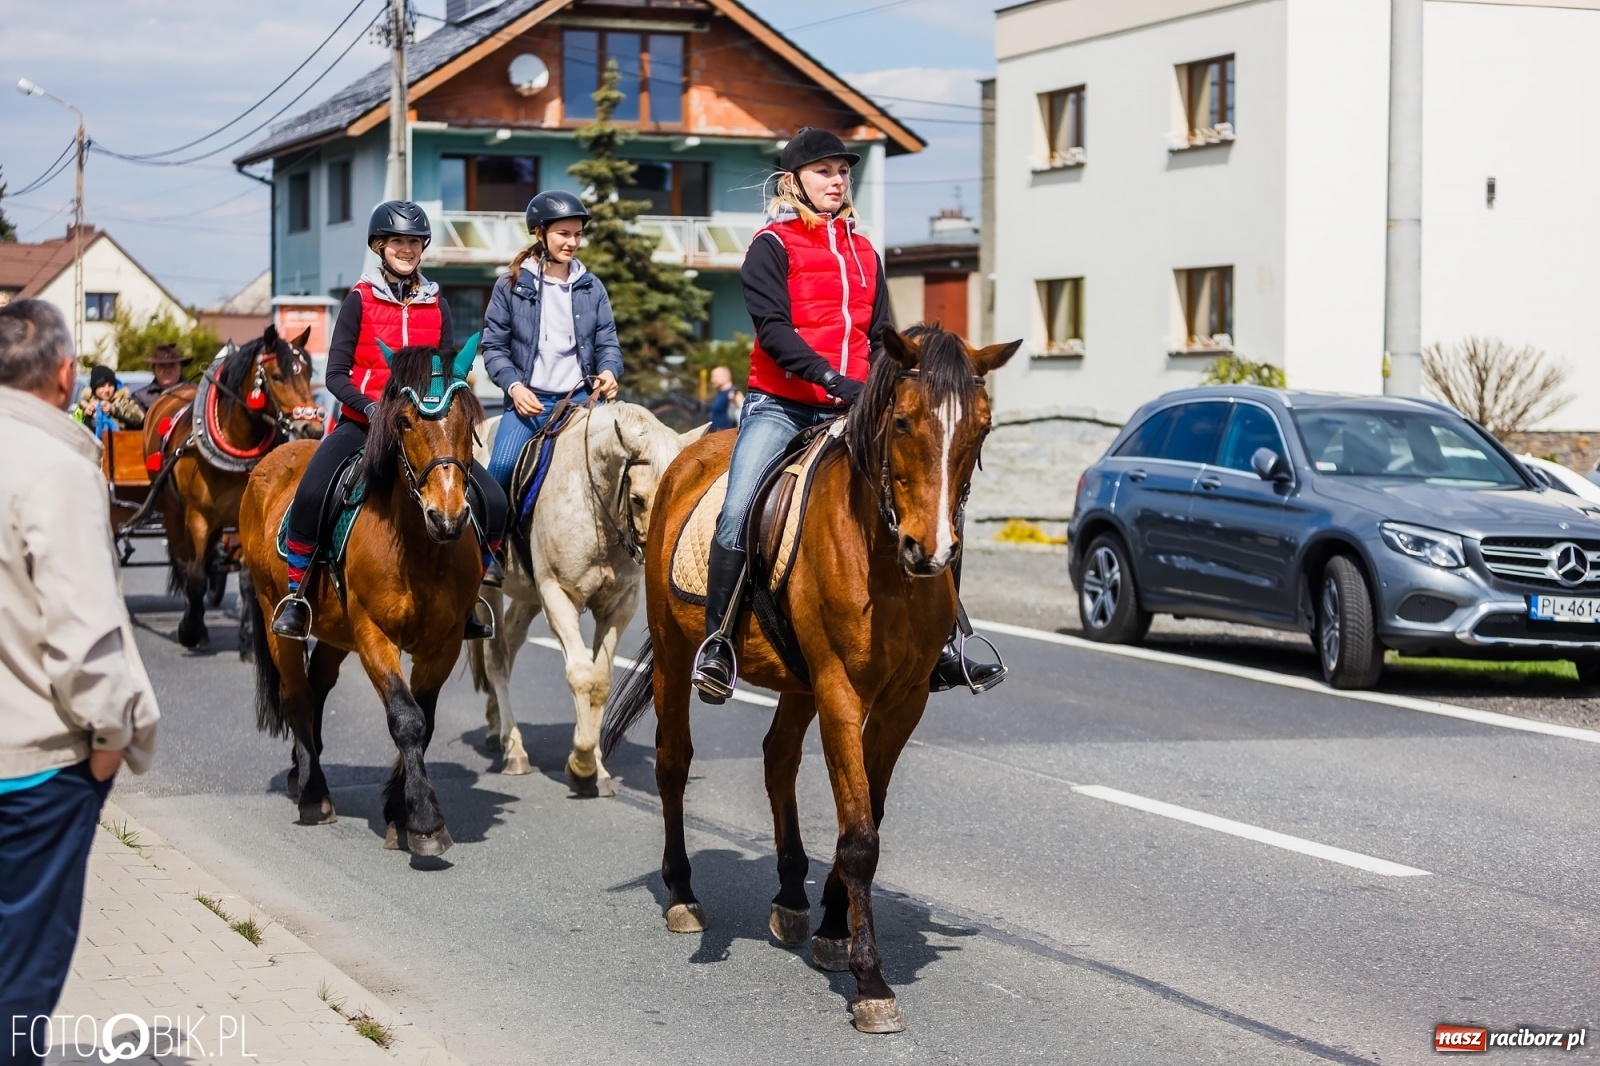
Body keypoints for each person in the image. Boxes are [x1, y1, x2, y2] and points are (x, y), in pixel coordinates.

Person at [691, 128, 1005, 703]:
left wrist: (892, 386)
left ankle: (947, 642)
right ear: (794, 182)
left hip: (857, 407)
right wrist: (835, 381)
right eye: (823, 172)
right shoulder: (770, 245)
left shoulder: (865, 253)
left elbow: (881, 334)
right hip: (782, 404)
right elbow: (775, 333)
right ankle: (719, 642)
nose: (836, 181)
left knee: (932, 499)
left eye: (842, 172)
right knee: (738, 507)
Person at [0, 300, 160, 1063]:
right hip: (33, 769)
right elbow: (82, 637)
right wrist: (110, 741)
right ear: (66, 375)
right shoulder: (60, 470)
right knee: (21, 981)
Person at [269, 201, 508, 641]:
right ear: (380, 246)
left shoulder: (437, 303)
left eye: (414, 242)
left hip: (425, 428)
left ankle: (472, 596)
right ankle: (297, 598)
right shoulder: (359, 300)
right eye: (397, 241)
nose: (406, 249)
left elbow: (448, 369)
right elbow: (335, 375)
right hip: (364, 422)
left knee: (493, 500)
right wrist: (372, 408)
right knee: (310, 492)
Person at [482, 189, 622, 498]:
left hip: (583, 400)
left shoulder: (592, 286)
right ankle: (487, 546)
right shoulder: (510, 284)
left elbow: (608, 343)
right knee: (499, 471)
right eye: (563, 233)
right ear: (539, 232)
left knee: (625, 464)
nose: (572, 242)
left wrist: (610, 372)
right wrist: (515, 388)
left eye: (578, 234)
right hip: (530, 404)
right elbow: (493, 348)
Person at [73, 364, 145, 437]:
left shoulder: (123, 401)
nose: (107, 390)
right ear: (94, 388)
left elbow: (140, 418)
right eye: (102, 386)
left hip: (120, 444)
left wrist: (114, 410)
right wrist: (85, 414)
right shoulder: (85, 403)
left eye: (110, 385)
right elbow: (73, 424)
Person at [131, 343, 185, 410]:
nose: (167, 371)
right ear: (154, 369)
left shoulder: (196, 394)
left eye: (172, 366)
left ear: (180, 368)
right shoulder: (140, 397)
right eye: (162, 366)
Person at [708, 365, 743, 432]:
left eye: (715, 376)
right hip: (715, 437)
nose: (712, 380)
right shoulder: (719, 394)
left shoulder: (734, 394)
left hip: (726, 438)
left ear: (726, 376)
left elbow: (741, 414)